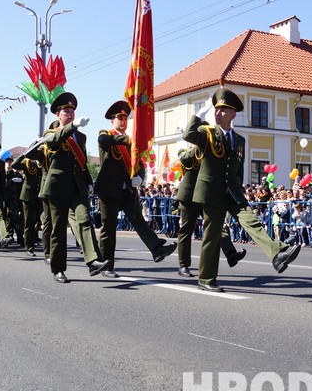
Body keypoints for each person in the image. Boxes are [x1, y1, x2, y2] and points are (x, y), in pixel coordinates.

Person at [183, 89, 300, 292]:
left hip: (233, 192)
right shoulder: (207, 133)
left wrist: (239, 191)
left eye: (223, 110)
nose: (218, 113)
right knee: (213, 235)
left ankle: (277, 255)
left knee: (251, 221)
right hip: (211, 192)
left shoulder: (239, 140)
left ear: (233, 114)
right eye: (217, 110)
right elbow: (188, 135)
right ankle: (206, 279)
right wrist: (197, 117)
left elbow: (238, 169)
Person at [95, 100, 178, 278]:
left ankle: (157, 249)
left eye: (125, 118)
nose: (123, 121)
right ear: (112, 121)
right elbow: (103, 141)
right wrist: (127, 140)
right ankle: (106, 265)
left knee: (138, 220)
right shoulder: (107, 134)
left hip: (127, 190)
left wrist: (140, 177)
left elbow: (139, 163)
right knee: (108, 229)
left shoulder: (131, 141)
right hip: (109, 190)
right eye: (119, 118)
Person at [38, 92, 111, 283]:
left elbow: (82, 162)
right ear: (57, 114)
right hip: (57, 187)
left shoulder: (82, 136)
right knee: (59, 228)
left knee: (84, 220)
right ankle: (58, 269)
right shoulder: (50, 133)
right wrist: (72, 126)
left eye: (71, 110)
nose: (69, 113)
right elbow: (53, 142)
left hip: (77, 186)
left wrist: (88, 182)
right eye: (65, 111)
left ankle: (92, 260)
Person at [176, 145, 246, 277]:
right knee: (186, 229)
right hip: (189, 195)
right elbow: (184, 159)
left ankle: (231, 254)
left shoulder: (211, 152)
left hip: (205, 195)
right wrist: (200, 145)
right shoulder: (185, 150)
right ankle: (183, 265)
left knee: (216, 225)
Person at [12, 151, 42, 256]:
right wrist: (23, 155)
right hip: (28, 196)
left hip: (41, 196)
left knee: (41, 221)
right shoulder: (28, 162)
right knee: (29, 222)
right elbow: (14, 165)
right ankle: (29, 247)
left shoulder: (45, 162)